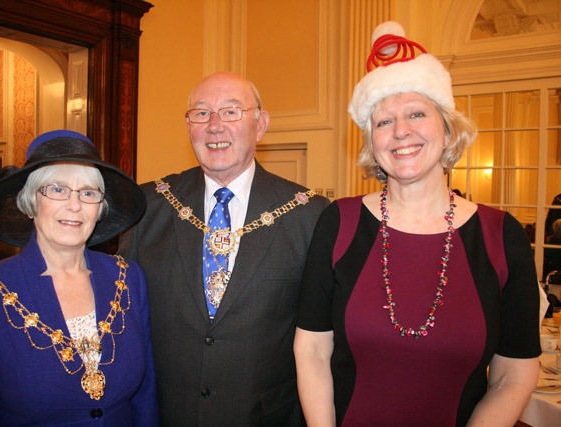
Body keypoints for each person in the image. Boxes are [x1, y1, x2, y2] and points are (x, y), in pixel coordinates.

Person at [293, 22, 540, 426]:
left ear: (447, 130)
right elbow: (313, 351)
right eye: (383, 121)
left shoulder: (501, 236)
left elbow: (514, 375)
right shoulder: (339, 222)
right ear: (372, 142)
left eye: (416, 113)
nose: (400, 131)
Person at [118, 71, 329, 426]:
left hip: (266, 418)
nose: (214, 126)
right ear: (188, 126)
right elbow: (123, 321)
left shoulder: (308, 214)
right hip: (167, 416)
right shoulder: (149, 206)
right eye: (201, 114)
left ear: (260, 125)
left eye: (231, 111)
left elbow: (321, 340)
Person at [0, 130, 159, 426]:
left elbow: (145, 398)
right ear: (31, 202)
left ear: (100, 207)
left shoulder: (127, 278)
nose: (75, 205)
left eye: (88, 192)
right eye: (57, 189)